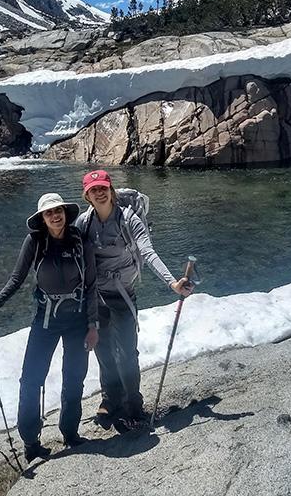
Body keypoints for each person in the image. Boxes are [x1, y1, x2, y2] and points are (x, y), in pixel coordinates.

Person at [0, 192, 99, 462]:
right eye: (49, 213)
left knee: (74, 377)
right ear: (42, 218)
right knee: (31, 381)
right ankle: (31, 441)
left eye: (59, 211)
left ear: (66, 213)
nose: (55, 216)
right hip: (46, 321)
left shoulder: (80, 240)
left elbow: (91, 286)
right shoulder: (35, 241)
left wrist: (93, 325)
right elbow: (16, 279)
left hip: (77, 321)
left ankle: (70, 433)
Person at [75, 169, 193, 429]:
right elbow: (73, 259)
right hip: (96, 296)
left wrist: (172, 283)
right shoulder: (83, 224)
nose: (100, 192)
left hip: (122, 295)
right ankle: (110, 399)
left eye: (103, 187)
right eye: (94, 190)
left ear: (111, 189)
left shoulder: (129, 220)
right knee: (103, 350)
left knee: (127, 352)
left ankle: (133, 404)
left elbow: (148, 252)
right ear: (87, 196)